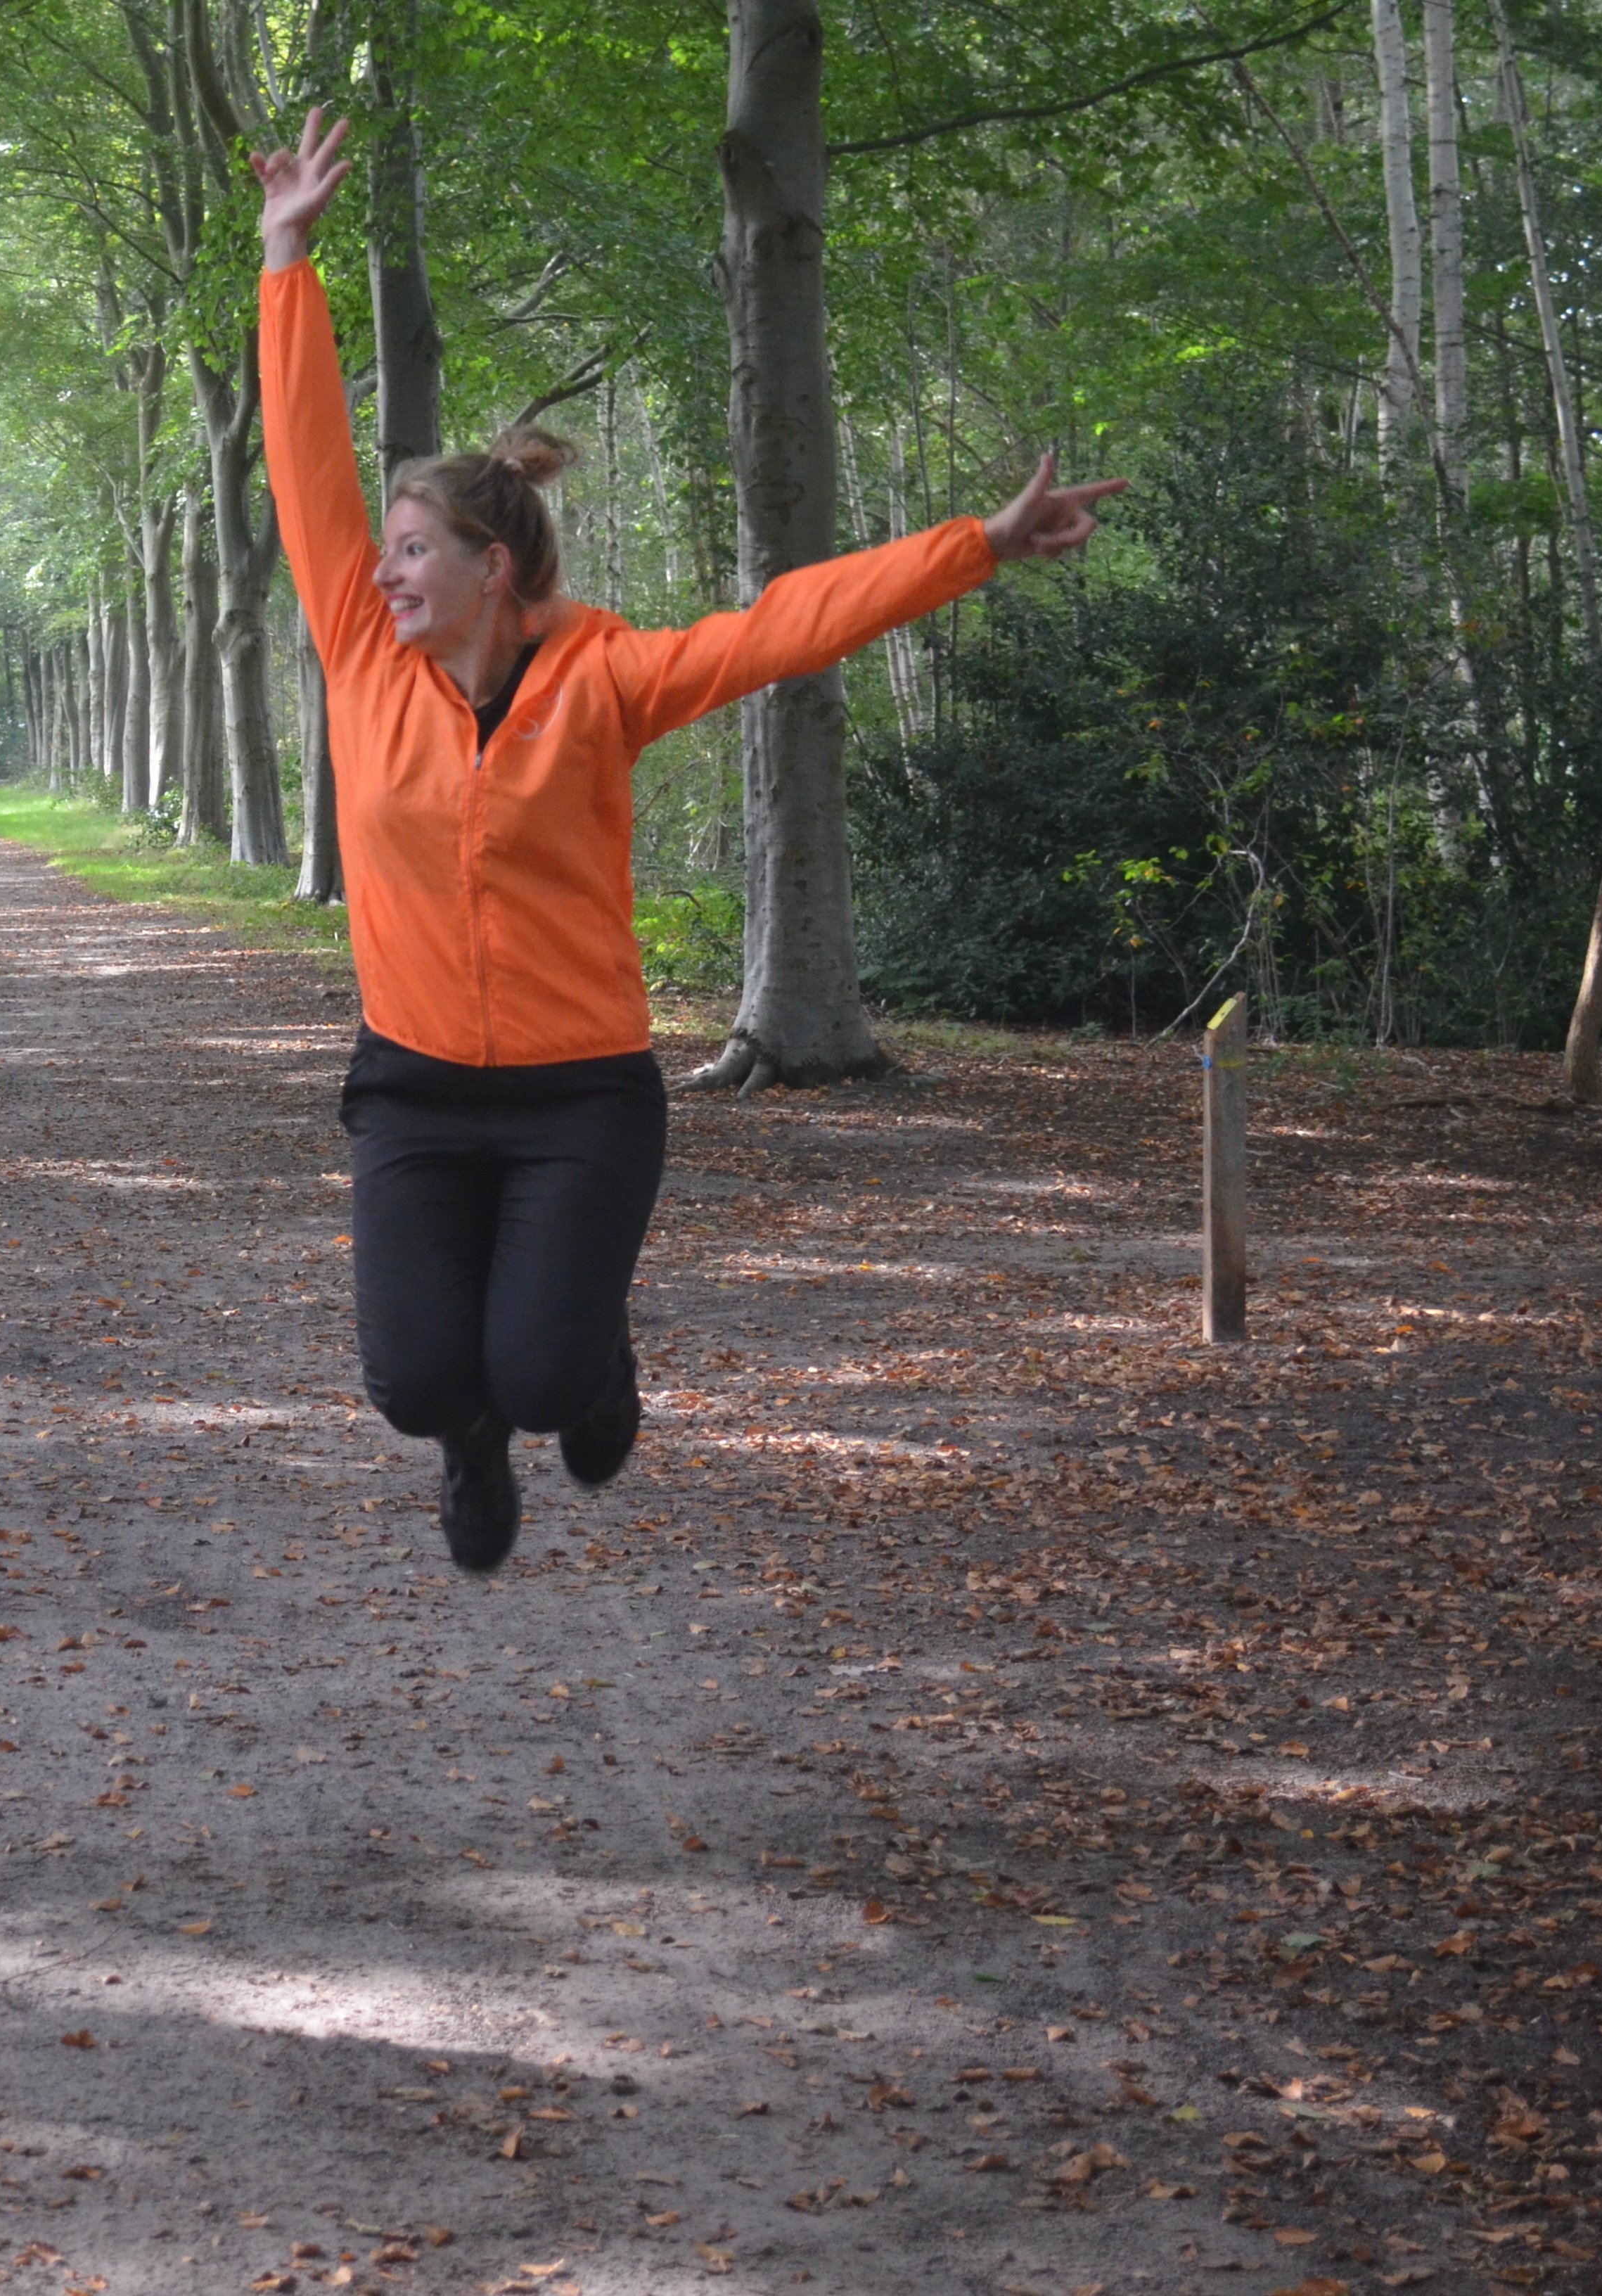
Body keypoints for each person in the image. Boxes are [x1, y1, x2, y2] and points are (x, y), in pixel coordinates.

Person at [252, 112, 1120, 1574]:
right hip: (410, 1088)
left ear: (493, 567)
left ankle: (586, 1365)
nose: (384, 569)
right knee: (420, 1386)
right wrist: (289, 258)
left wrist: (972, 543)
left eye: (415, 550)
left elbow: (785, 623)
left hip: (578, 1092)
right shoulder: (358, 654)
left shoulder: (607, 681)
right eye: (385, 548)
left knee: (542, 1376)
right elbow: (303, 464)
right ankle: (472, 1446)